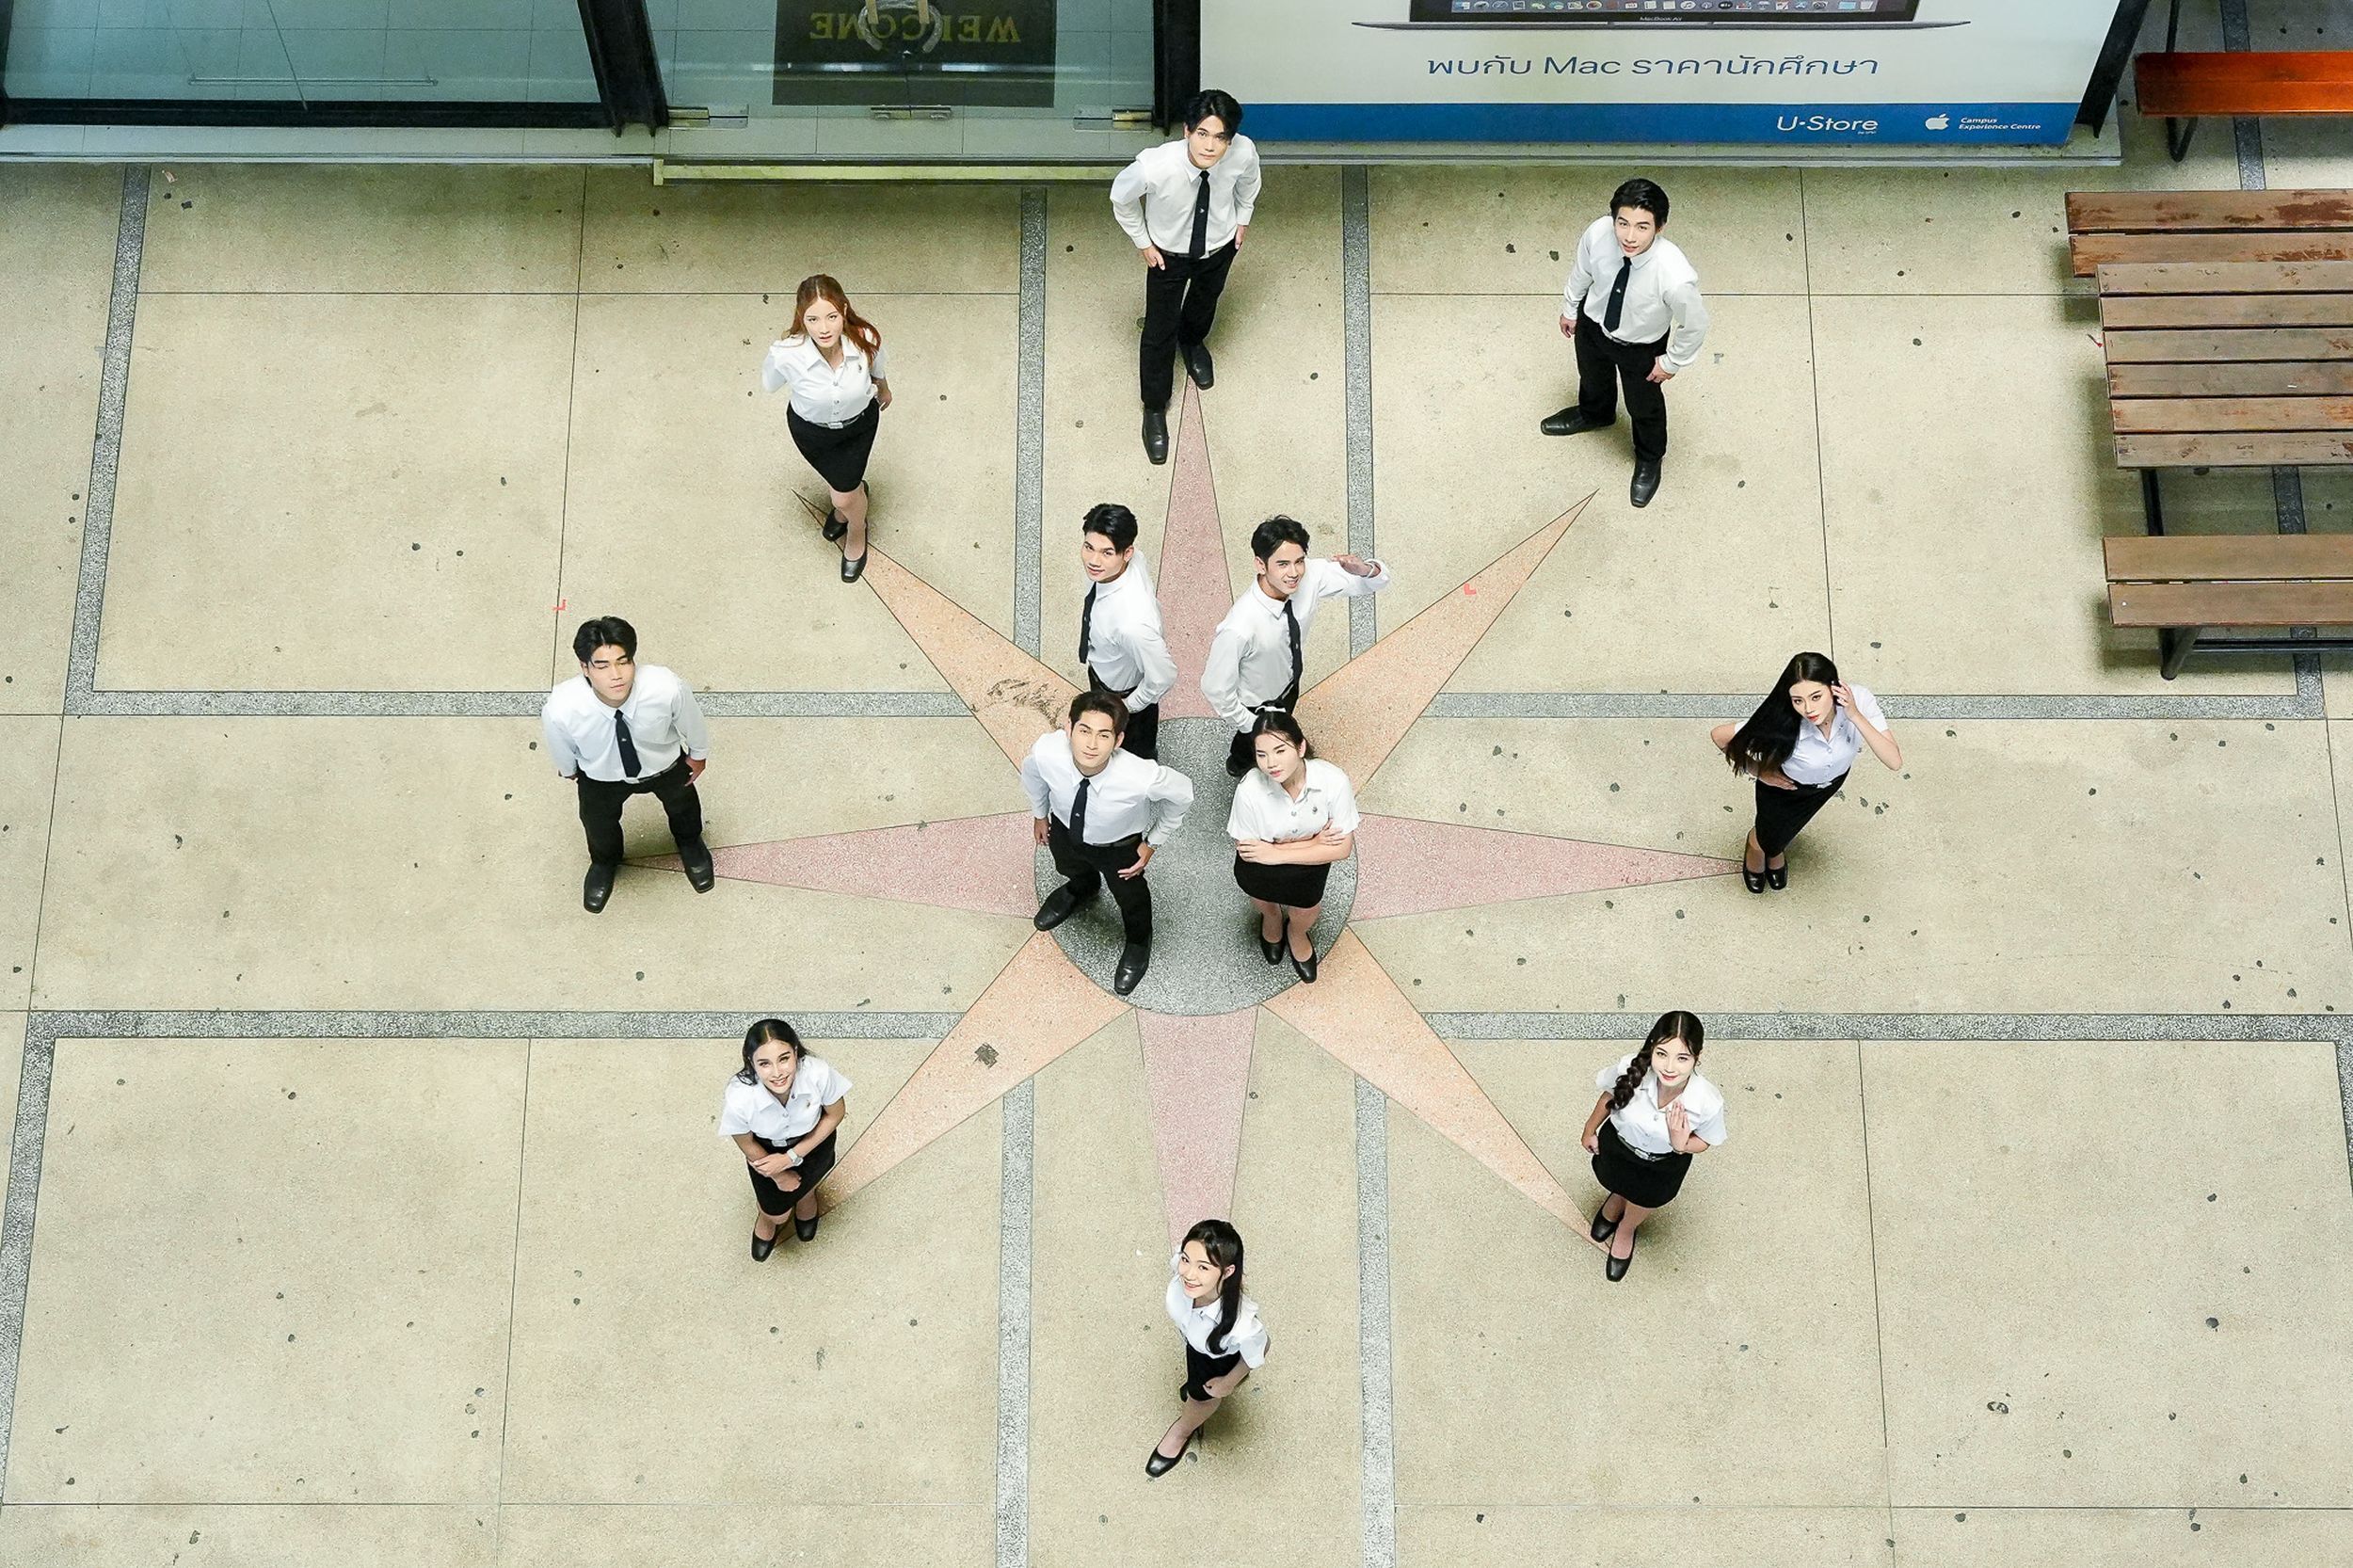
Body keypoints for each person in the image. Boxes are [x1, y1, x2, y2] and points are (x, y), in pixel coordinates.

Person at [1111, 88, 1262, 465]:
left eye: (1220, 137)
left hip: (1218, 246)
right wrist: (1143, 242)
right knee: (1158, 330)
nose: (1210, 146)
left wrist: (1242, 218)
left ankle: (1192, 342)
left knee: (1205, 300)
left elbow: (1249, 183)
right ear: (1187, 131)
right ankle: (1154, 406)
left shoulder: (1243, 152)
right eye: (1203, 134)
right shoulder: (1155, 165)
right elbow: (1121, 198)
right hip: (1168, 257)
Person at [1540, 177, 1710, 509]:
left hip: (1641, 347)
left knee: (1644, 406)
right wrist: (1570, 309)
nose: (1629, 237)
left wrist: (1672, 361)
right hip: (1594, 326)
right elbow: (1582, 272)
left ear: (1660, 227)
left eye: (1642, 227)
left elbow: (1695, 324)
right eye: (1623, 223)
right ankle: (1595, 414)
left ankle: (1649, 457)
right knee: (1592, 377)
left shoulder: (1674, 275)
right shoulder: (1597, 234)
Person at [1020, 691, 1195, 997]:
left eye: (1104, 735)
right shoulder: (1047, 751)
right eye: (1084, 731)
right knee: (1068, 865)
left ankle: (1139, 940)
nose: (1091, 744)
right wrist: (1040, 814)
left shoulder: (1139, 776)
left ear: (1118, 740)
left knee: (1131, 898)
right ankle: (1082, 889)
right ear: (1068, 728)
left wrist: (1153, 842)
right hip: (1065, 829)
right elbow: (1033, 774)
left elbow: (1183, 794)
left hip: (1119, 848)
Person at [541, 616, 713, 914]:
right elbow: (560, 746)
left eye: (624, 662)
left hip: (664, 766)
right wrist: (570, 770)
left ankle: (690, 843)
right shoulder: (562, 708)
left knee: (683, 806)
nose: (616, 675)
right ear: (584, 667)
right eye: (602, 666)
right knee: (597, 822)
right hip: (601, 777)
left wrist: (698, 754)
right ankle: (604, 862)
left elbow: (692, 721)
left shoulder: (666, 688)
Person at [1201, 516, 1390, 780]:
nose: (1294, 573)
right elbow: (1215, 688)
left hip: (1289, 685)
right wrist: (1252, 725)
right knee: (1248, 745)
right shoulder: (1239, 628)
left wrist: (1365, 569)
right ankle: (1239, 764)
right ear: (1260, 564)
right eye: (1282, 564)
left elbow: (1373, 583)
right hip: (1257, 703)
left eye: (1299, 561)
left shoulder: (1308, 576)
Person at [1709, 651, 1901, 893]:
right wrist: (1759, 771)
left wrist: (1854, 714)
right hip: (1785, 789)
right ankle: (1757, 846)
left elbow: (1893, 760)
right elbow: (1720, 736)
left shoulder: (1859, 700)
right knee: (1768, 835)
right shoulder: (1782, 721)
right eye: (1798, 700)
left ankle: (1774, 849)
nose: (1808, 709)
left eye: (1816, 696)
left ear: (1833, 688)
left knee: (1786, 830)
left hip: (1829, 784)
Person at [762, 273, 892, 583]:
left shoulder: (865, 338)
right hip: (812, 433)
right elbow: (769, 384)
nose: (824, 328)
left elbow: (877, 371)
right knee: (844, 486)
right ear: (801, 318)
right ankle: (849, 500)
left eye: (831, 316)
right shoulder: (785, 353)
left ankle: (856, 529)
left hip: (858, 428)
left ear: (844, 311)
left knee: (842, 496)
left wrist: (885, 390)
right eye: (813, 319)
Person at [1577, 1011, 1724, 1282]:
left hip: (1662, 1164)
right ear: (1652, 1047)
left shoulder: (1707, 1101)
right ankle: (1616, 1201)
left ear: (1698, 1056)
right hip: (1619, 1149)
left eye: (1682, 1058)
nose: (1669, 1067)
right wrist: (1589, 1129)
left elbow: (1706, 1140)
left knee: (1645, 1199)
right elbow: (1609, 1096)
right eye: (1662, 1054)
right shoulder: (1630, 1067)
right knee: (1616, 1181)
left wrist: (1682, 1144)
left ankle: (1626, 1228)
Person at [1226, 712, 1357, 984]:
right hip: (1261, 869)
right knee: (1264, 902)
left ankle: (1297, 934)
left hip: (1307, 870)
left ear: (1300, 747)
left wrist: (1274, 851)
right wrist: (1315, 843)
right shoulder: (1250, 789)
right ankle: (1272, 919)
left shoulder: (1333, 781)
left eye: (1280, 750)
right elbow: (1249, 852)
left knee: (1306, 910)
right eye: (1262, 754)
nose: (1271, 763)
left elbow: (1342, 848)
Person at [717, 1018, 851, 1257]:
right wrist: (778, 1174)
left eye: (784, 1059)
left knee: (810, 1183)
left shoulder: (817, 1072)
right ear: (751, 1062)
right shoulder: (740, 1096)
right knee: (777, 1212)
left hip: (814, 1141)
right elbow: (746, 1142)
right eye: (764, 1064)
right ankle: (768, 1218)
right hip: (766, 1152)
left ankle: (806, 1196)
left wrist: (791, 1157)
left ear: (795, 1052)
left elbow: (835, 1114)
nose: (778, 1073)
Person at [1149, 1219, 1269, 1478]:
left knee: (1201, 1397)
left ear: (1227, 1272)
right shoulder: (1184, 1276)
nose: (1189, 1274)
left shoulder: (1240, 1323)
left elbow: (1260, 1346)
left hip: (1216, 1361)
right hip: (1194, 1344)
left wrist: (1228, 1382)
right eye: (1186, 1259)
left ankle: (1182, 1430)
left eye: (1203, 1267)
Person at [1078, 503, 1176, 762]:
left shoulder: (1132, 624)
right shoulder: (1121, 567)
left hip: (1123, 694)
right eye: (1089, 547)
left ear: (1127, 552)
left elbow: (1164, 676)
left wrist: (1127, 706)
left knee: (1135, 755)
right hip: (1105, 674)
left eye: (1107, 553)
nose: (1093, 561)